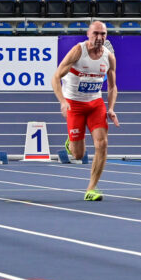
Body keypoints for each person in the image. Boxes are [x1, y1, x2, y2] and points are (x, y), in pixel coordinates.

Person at [51, 21, 120, 201]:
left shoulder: (109, 57)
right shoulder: (78, 51)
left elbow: (112, 87)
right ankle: (71, 142)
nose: (99, 37)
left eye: (103, 34)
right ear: (88, 34)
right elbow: (56, 77)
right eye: (96, 33)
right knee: (78, 154)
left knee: (102, 144)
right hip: (74, 104)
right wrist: (63, 102)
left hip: (95, 104)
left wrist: (111, 108)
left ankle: (91, 188)